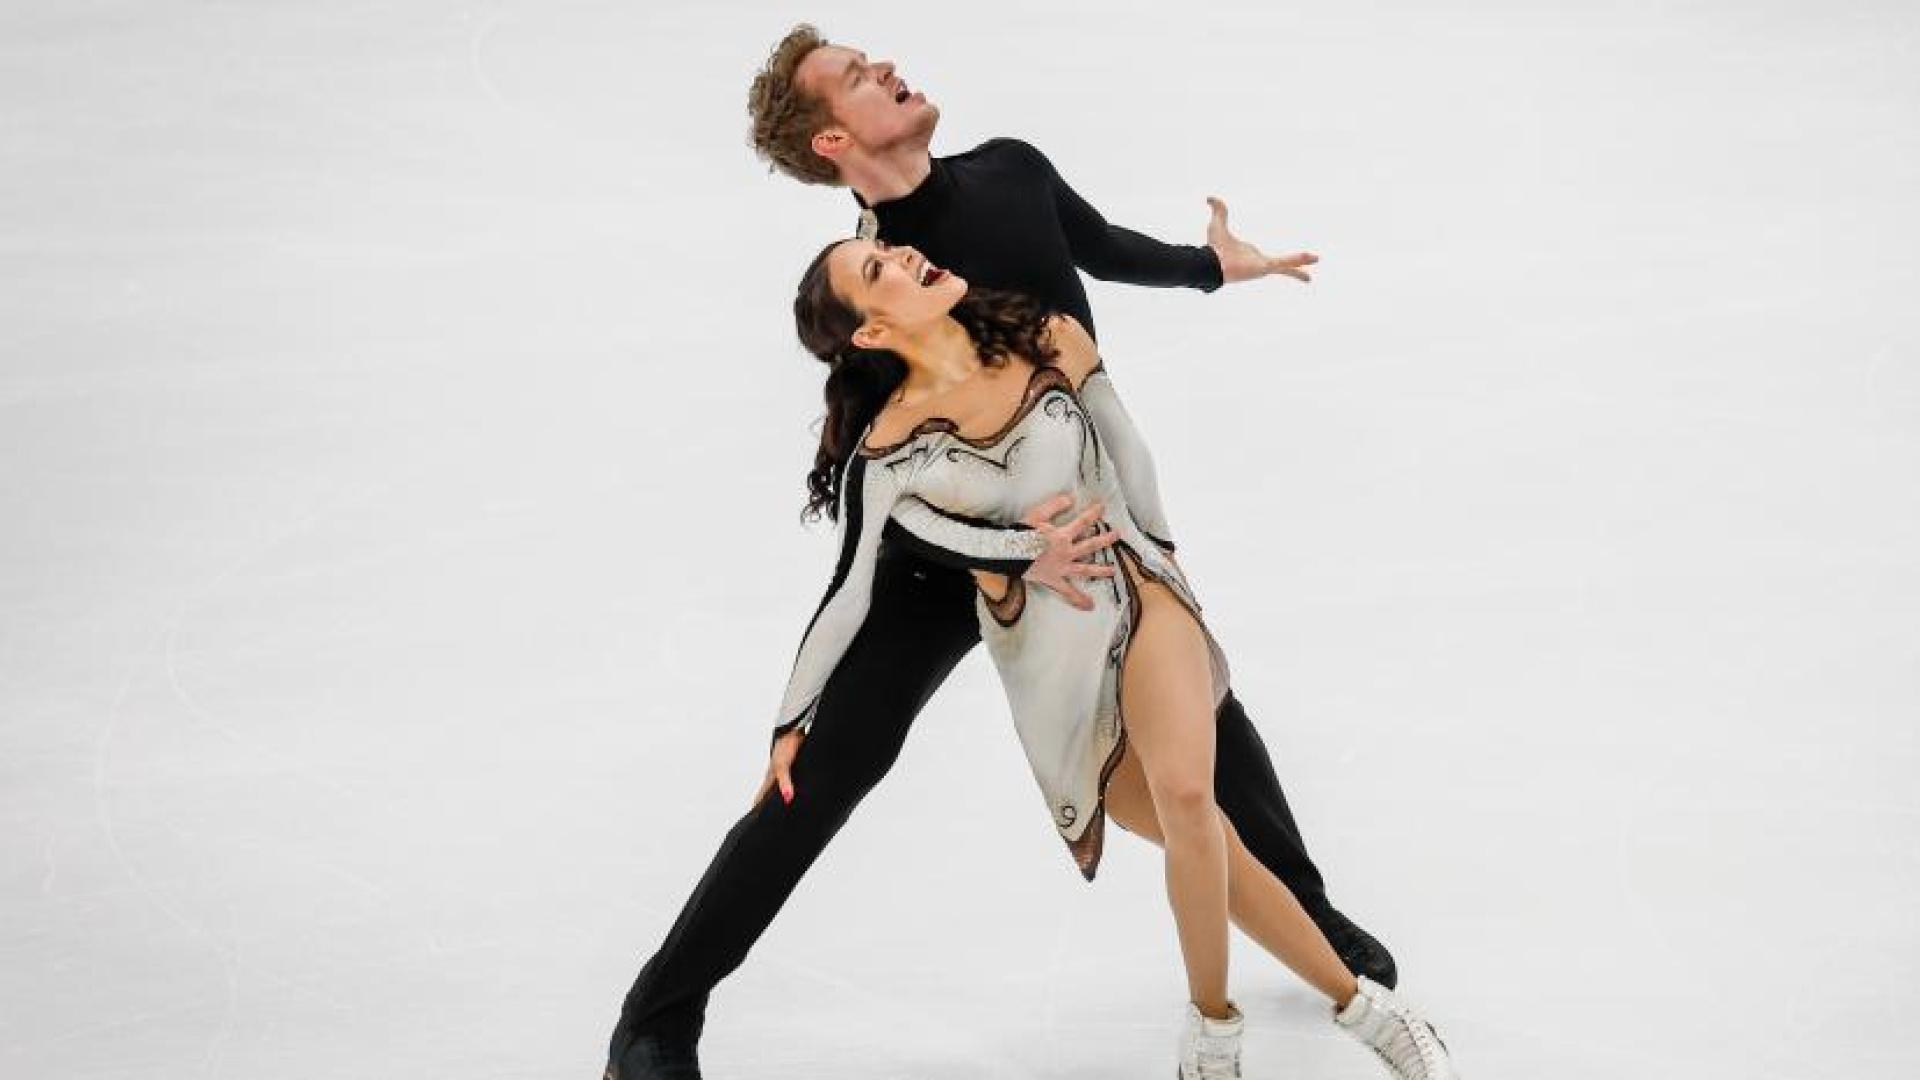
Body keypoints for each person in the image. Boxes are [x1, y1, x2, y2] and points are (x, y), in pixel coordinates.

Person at [602, 24, 1390, 1080]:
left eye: (870, 57)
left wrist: (1210, 267)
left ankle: (1309, 915)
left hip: (1069, 514)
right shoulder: (876, 283)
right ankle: (657, 1018)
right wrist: (1003, 562)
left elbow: (1096, 244)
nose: (886, 66)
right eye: (856, 77)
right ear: (832, 142)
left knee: (1200, 703)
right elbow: (890, 489)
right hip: (939, 555)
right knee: (826, 772)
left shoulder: (1011, 170)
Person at [780, 237, 1458, 1078]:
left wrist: (1163, 553)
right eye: (877, 270)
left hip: (1138, 593)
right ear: (872, 333)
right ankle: (1367, 1012)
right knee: (1210, 846)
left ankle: (1212, 1039)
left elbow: (1129, 450)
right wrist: (790, 723)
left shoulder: (1046, 334)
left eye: (885, 246)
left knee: (1188, 795)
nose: (905, 254)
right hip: (1049, 666)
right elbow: (846, 593)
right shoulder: (891, 449)